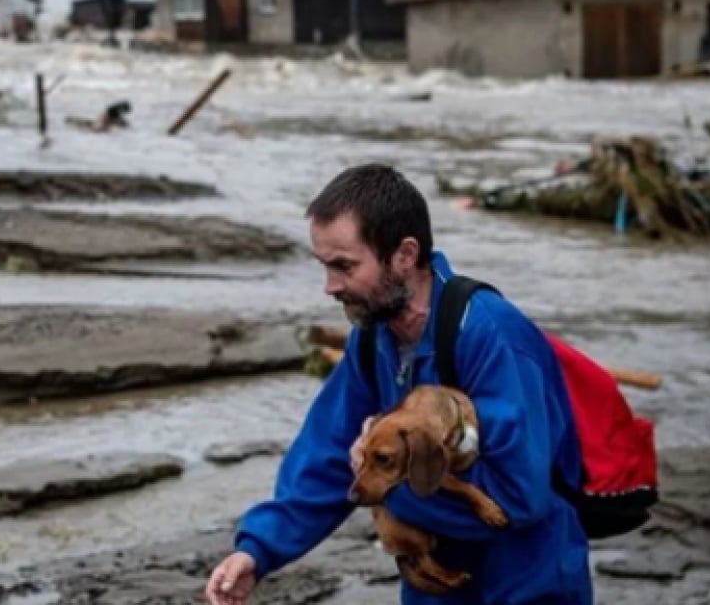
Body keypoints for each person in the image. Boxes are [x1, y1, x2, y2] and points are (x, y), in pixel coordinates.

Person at [203, 163, 591, 605]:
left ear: (404, 255)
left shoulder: (490, 334)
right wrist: (257, 551)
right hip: (434, 585)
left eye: (345, 266)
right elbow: (328, 455)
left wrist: (386, 485)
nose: (330, 286)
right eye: (325, 266)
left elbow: (520, 500)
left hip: (527, 584)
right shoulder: (374, 338)